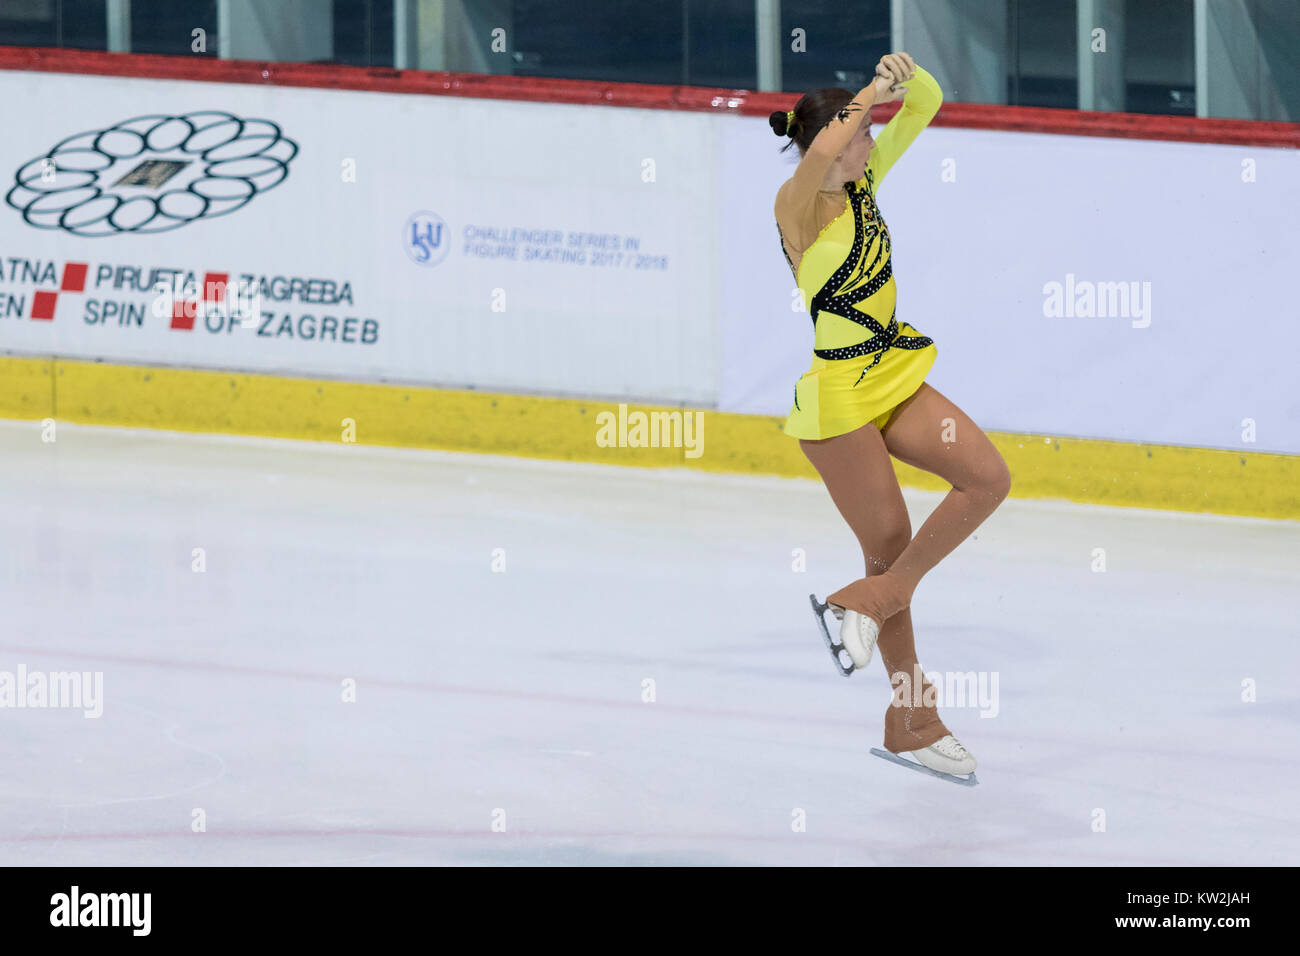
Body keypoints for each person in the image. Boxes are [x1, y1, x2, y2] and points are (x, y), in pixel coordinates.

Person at [770, 52, 1011, 777]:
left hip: (892, 372)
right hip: (839, 400)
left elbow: (928, 100)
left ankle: (870, 602)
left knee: (986, 478)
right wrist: (870, 92)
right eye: (861, 131)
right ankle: (913, 718)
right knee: (889, 539)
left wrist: (898, 75)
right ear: (836, 145)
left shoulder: (868, 178)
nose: (873, 139)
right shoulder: (800, 205)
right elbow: (817, 151)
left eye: (872, 129)